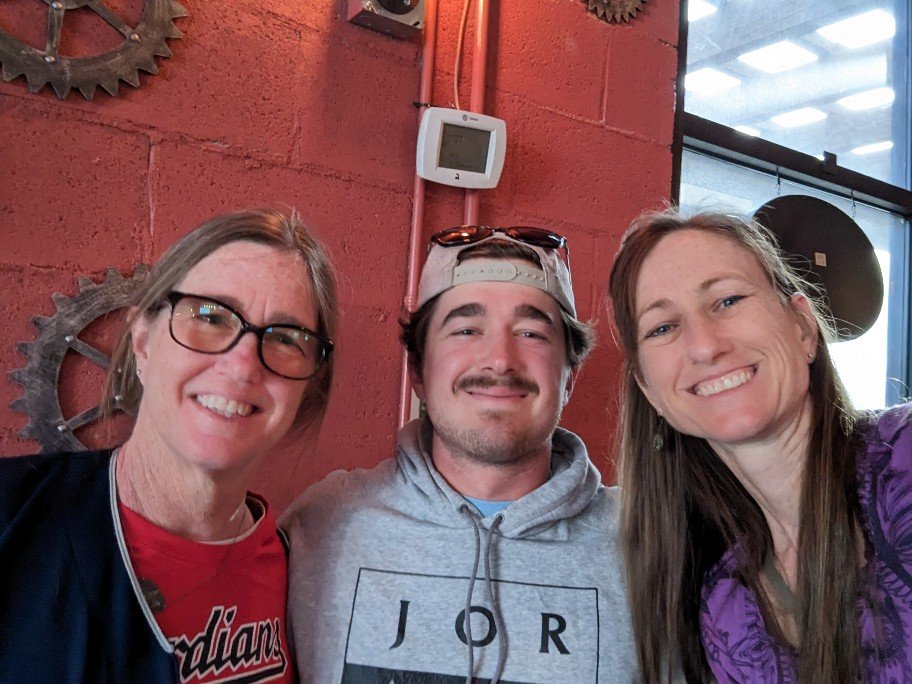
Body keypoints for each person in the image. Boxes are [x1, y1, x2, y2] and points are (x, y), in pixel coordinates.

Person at [282, 225, 639, 682]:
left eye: (531, 333)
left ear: (569, 377)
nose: (500, 360)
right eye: (466, 329)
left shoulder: (649, 546)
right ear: (418, 371)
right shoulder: (322, 525)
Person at [0, 208, 337, 683]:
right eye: (210, 316)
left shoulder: (306, 572)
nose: (242, 366)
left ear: (307, 385)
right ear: (143, 341)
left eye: (285, 338)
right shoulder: (12, 518)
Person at [607, 207, 912, 682]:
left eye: (728, 300)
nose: (705, 346)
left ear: (803, 328)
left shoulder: (903, 457)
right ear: (650, 392)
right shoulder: (725, 606)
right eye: (663, 327)